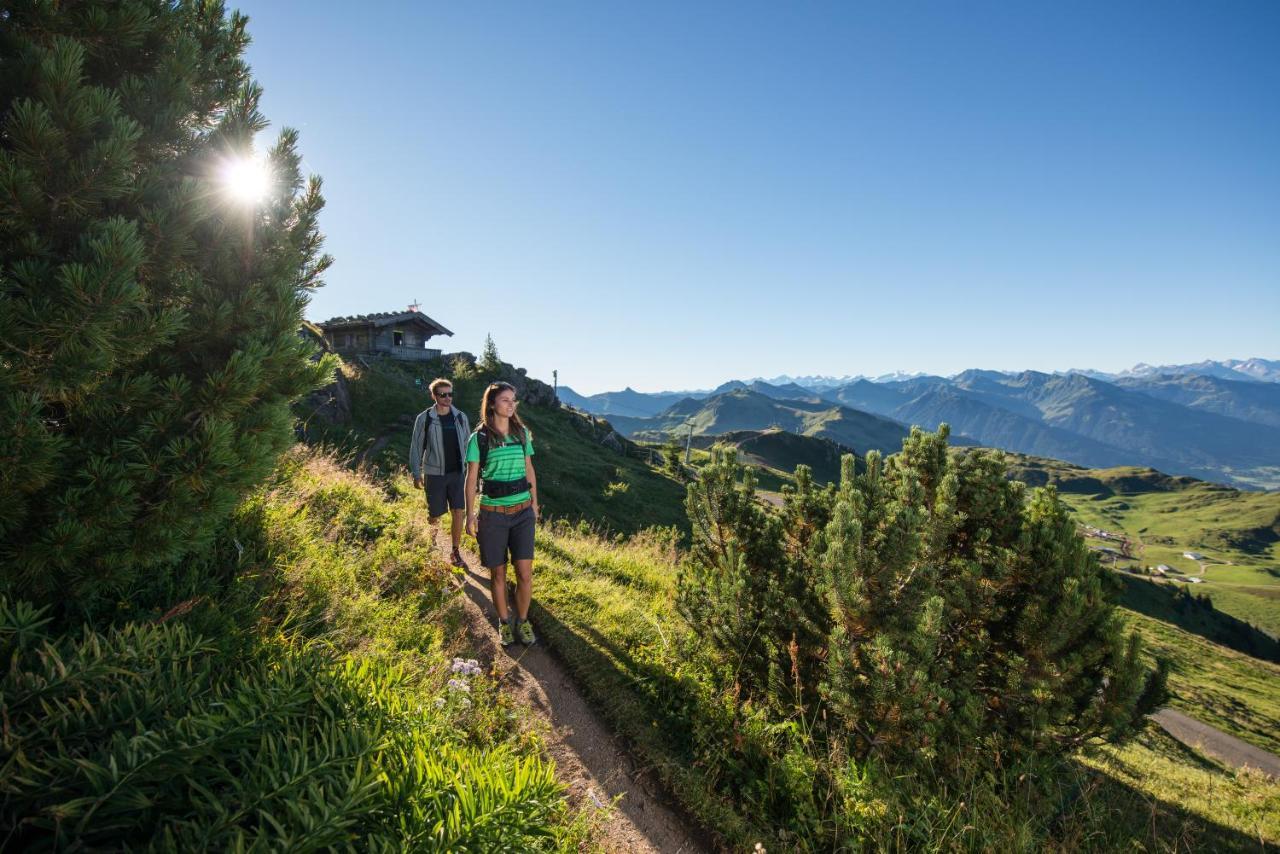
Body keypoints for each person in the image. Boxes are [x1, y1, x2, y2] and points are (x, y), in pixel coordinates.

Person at [465, 381, 539, 646]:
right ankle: (505, 622)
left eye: (513, 400)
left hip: (522, 514)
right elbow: (472, 478)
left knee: (525, 574)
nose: (511, 404)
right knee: (498, 575)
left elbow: (529, 469)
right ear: (492, 403)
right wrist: (470, 515)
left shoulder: (522, 433)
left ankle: (523, 620)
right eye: (506, 400)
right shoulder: (480, 438)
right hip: (492, 515)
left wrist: (534, 503)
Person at [409, 378, 470, 567]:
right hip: (434, 474)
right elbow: (416, 446)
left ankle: (455, 551)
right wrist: (416, 472)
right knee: (434, 513)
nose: (447, 398)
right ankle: (432, 543)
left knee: (459, 511)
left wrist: (473, 471)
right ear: (434, 396)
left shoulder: (460, 417)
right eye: (443, 394)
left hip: (458, 474)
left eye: (450, 394)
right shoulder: (424, 418)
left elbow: (469, 444)